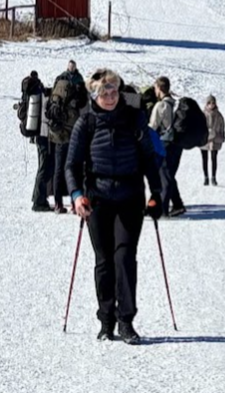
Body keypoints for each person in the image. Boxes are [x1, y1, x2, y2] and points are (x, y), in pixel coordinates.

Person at [65, 69, 165, 344]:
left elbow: (148, 158)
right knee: (104, 260)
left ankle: (126, 321)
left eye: (113, 91)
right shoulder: (85, 123)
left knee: (124, 257)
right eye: (103, 93)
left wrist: (156, 194)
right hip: (97, 199)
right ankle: (106, 319)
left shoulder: (134, 119)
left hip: (130, 197)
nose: (109, 97)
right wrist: (76, 195)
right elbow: (71, 165)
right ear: (94, 95)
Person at [45, 61, 88, 213]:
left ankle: (57, 203)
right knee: (73, 167)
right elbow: (83, 103)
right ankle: (74, 202)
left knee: (58, 168)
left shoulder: (59, 81)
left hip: (57, 131)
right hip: (72, 130)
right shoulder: (78, 82)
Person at [147, 76, 187, 217]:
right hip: (178, 144)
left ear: (159, 88)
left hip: (166, 143)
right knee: (169, 174)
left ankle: (163, 209)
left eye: (156, 88)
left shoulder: (160, 106)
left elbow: (152, 127)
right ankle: (177, 204)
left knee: (164, 175)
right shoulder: (175, 103)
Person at [20, 70, 53, 212]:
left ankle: (38, 198)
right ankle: (39, 201)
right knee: (44, 167)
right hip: (43, 135)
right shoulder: (38, 93)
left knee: (43, 166)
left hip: (37, 134)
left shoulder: (29, 95)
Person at [200, 95, 225, 185]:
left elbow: (222, 127)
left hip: (215, 139)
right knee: (204, 158)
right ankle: (206, 177)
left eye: (213, 103)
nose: (211, 105)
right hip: (204, 139)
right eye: (209, 103)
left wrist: (221, 136)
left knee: (214, 158)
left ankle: (213, 178)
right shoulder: (202, 114)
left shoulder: (219, 115)